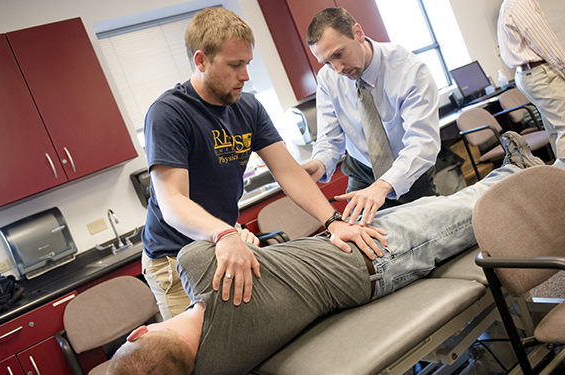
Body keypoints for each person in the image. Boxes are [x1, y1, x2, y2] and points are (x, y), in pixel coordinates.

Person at [108, 132, 548, 375]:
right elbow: (217, 238)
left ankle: (514, 171)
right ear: (137, 334)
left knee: (433, 207)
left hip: (354, 260)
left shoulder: (219, 367)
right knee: (466, 209)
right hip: (370, 258)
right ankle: (533, 172)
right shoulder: (200, 267)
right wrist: (235, 238)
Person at [141, 7, 384, 319]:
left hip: (223, 240)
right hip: (174, 257)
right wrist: (224, 233)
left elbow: (288, 172)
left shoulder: (248, 106)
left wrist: (333, 222)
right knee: (199, 354)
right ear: (200, 60)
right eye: (235, 65)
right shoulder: (169, 113)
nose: (245, 75)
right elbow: (173, 201)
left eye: (248, 63)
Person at [301, 7, 441, 226]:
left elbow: (423, 143)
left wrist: (384, 184)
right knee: (361, 243)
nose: (337, 69)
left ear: (358, 33)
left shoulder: (409, 70)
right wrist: (319, 164)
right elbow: (330, 139)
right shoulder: (328, 78)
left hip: (408, 170)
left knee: (429, 232)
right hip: (362, 171)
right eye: (327, 62)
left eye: (338, 54)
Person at [497, 0, 565, 160]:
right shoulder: (520, 4)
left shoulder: (510, 4)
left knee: (555, 127)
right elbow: (546, 44)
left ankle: (559, 178)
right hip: (539, 72)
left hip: (528, 73)